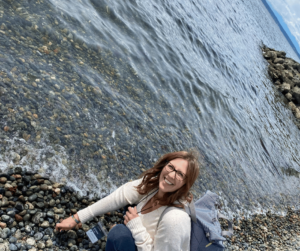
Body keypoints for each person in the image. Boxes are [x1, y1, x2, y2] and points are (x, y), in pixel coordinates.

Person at [55, 150, 200, 251]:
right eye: (170, 167)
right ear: (165, 164)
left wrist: (135, 227)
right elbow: (120, 196)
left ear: (186, 183)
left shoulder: (175, 219)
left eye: (180, 174)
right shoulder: (155, 186)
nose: (171, 175)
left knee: (118, 233)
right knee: (129, 203)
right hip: (141, 237)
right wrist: (77, 218)